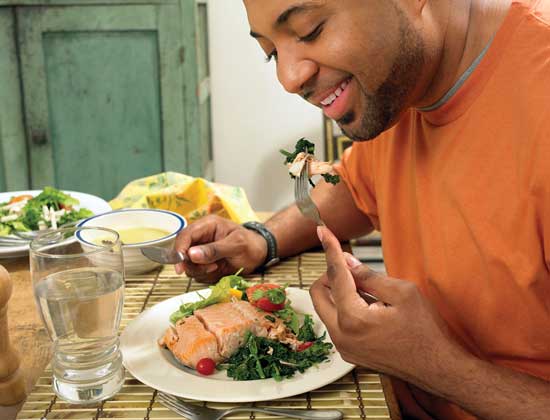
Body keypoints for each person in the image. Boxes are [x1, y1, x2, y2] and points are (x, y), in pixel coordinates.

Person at [174, 0, 550, 418]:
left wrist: (437, 367)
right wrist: (262, 239)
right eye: (272, 54)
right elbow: (356, 187)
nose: (289, 77)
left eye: (311, 30)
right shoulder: (402, 86)